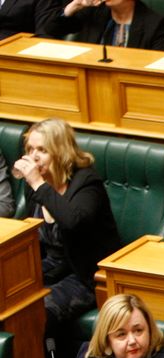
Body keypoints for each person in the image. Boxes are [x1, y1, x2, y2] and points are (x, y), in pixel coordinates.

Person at [13, 118, 120, 342]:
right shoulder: (35, 185)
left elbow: (72, 222)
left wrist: (38, 184)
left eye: (42, 150)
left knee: (32, 314)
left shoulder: (87, 182)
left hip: (83, 274)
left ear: (61, 151)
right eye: (30, 149)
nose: (33, 157)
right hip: (51, 267)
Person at [44, 0, 164, 51]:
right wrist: (74, 5)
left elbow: (158, 66)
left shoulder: (153, 22)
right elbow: (51, 30)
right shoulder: (94, 12)